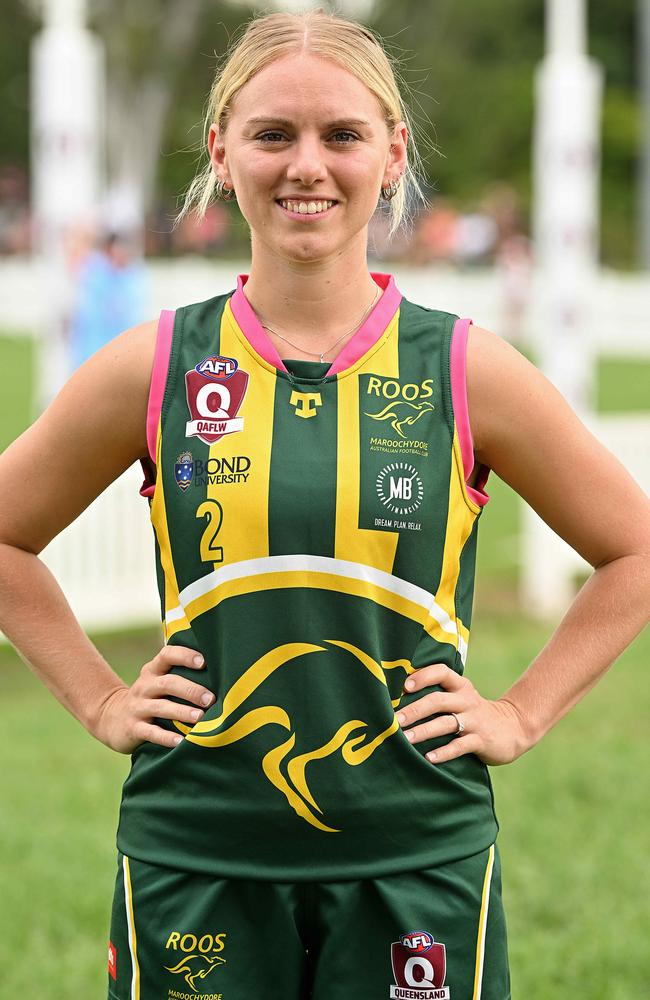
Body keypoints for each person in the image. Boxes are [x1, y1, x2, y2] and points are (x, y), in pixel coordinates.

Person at [0, 8, 648, 1000]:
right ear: (221, 152)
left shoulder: (465, 368)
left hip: (415, 855)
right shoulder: (160, 363)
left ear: (391, 154)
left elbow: (631, 550)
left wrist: (518, 712)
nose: (307, 165)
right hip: (198, 851)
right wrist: (98, 695)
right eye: (273, 135)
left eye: (340, 135)